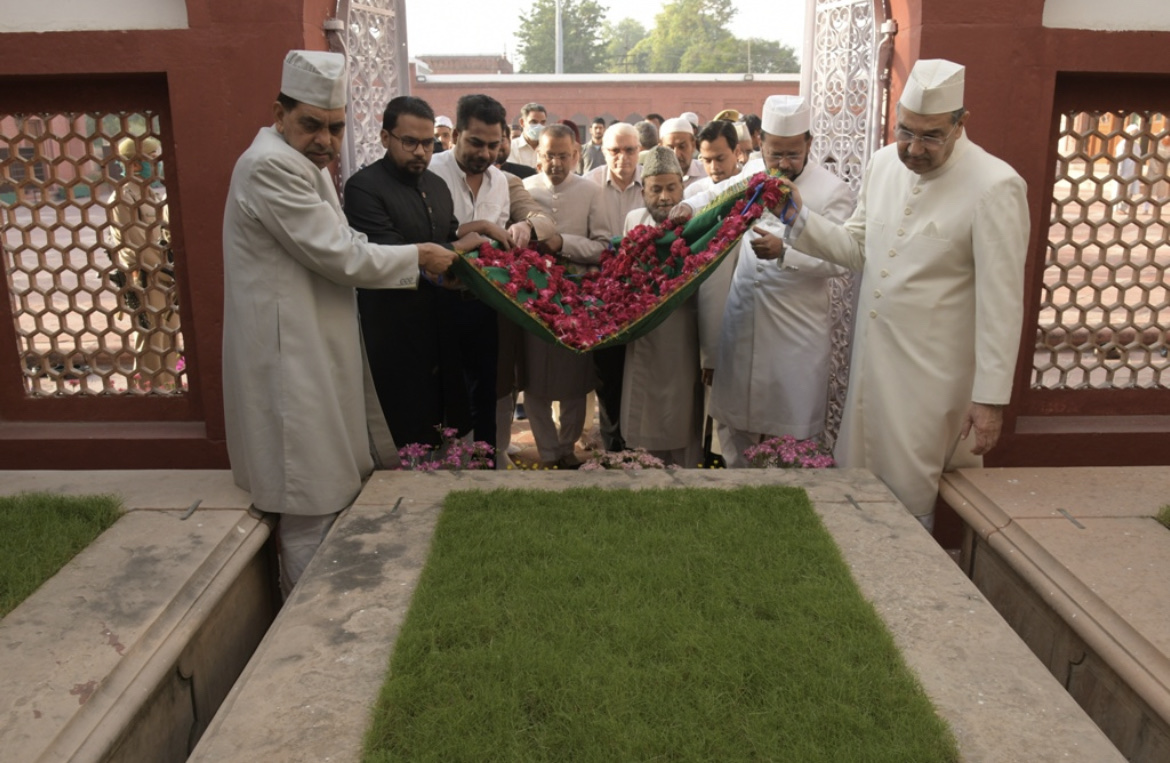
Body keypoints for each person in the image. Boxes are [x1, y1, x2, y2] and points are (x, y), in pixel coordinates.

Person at [221, 50, 463, 594]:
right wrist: (419, 256)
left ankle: (322, 607)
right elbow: (340, 256)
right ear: (279, 114)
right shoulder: (270, 166)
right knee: (308, 497)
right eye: (311, 124)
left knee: (327, 484)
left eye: (334, 127)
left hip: (315, 345)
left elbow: (347, 243)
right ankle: (303, 628)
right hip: (291, 355)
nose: (326, 140)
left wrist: (411, 255)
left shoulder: (302, 165)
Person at [779, 59, 1031, 528]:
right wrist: (799, 218)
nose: (914, 148)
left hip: (932, 383)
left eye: (930, 136)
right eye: (905, 131)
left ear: (960, 124)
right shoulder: (882, 165)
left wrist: (990, 399)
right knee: (857, 492)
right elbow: (856, 248)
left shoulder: (996, 186)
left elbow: (1002, 304)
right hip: (871, 369)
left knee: (912, 500)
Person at [679, 96, 856, 468]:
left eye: (792, 154)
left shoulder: (832, 191)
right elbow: (716, 196)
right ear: (761, 144)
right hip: (744, 319)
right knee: (734, 423)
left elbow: (842, 260)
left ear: (808, 143)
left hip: (796, 332)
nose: (783, 164)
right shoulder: (756, 172)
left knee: (788, 435)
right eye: (775, 154)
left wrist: (786, 251)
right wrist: (688, 208)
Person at [343, 95, 469, 451]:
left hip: (440, 323)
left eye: (429, 143)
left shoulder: (437, 186)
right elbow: (387, 253)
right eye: (409, 142)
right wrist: (458, 248)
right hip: (392, 326)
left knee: (442, 419)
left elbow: (448, 235)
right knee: (401, 421)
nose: (420, 152)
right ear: (386, 138)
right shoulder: (364, 187)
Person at [430, 94, 536, 454]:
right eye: (476, 142)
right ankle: (444, 468)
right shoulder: (429, 173)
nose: (486, 154)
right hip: (436, 299)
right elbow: (423, 241)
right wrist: (477, 228)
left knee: (486, 391)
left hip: (485, 302)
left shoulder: (500, 182)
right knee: (444, 392)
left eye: (494, 145)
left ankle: (486, 470)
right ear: (455, 134)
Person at [522, 125, 611, 467]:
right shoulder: (525, 190)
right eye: (549, 155)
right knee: (533, 377)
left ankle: (566, 447)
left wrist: (563, 244)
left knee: (575, 379)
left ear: (576, 155)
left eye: (563, 155)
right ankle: (546, 450)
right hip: (530, 299)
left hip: (576, 299)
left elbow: (603, 247)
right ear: (538, 156)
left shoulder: (590, 191)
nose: (556, 163)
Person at [620, 147, 703, 466]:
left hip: (682, 336)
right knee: (641, 422)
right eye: (656, 189)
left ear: (683, 188)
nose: (665, 197)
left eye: (672, 188)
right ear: (644, 192)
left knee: (680, 418)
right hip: (642, 335)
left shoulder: (697, 224)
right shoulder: (632, 219)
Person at [584, 123, 646, 452]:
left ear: (640, 149)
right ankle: (613, 447)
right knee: (607, 373)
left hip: (647, 294)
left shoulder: (652, 183)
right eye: (614, 151)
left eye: (630, 150)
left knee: (641, 369)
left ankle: (641, 442)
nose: (622, 157)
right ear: (603, 151)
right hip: (601, 295)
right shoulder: (589, 185)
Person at [103, 136, 181, 392]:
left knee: (168, 334)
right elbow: (134, 244)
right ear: (134, 163)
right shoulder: (123, 196)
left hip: (164, 275)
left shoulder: (150, 194)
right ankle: (148, 388)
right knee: (150, 335)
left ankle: (167, 386)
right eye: (150, 159)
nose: (154, 164)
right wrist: (166, 270)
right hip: (144, 276)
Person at [659, 117, 706, 190]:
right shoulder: (652, 179)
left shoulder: (706, 174)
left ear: (693, 145)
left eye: (682, 147)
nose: (676, 154)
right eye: (670, 148)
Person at [509, 102, 547, 169]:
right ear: (522, 122)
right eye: (534, 122)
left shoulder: (548, 147)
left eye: (542, 122)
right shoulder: (511, 148)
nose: (539, 126)